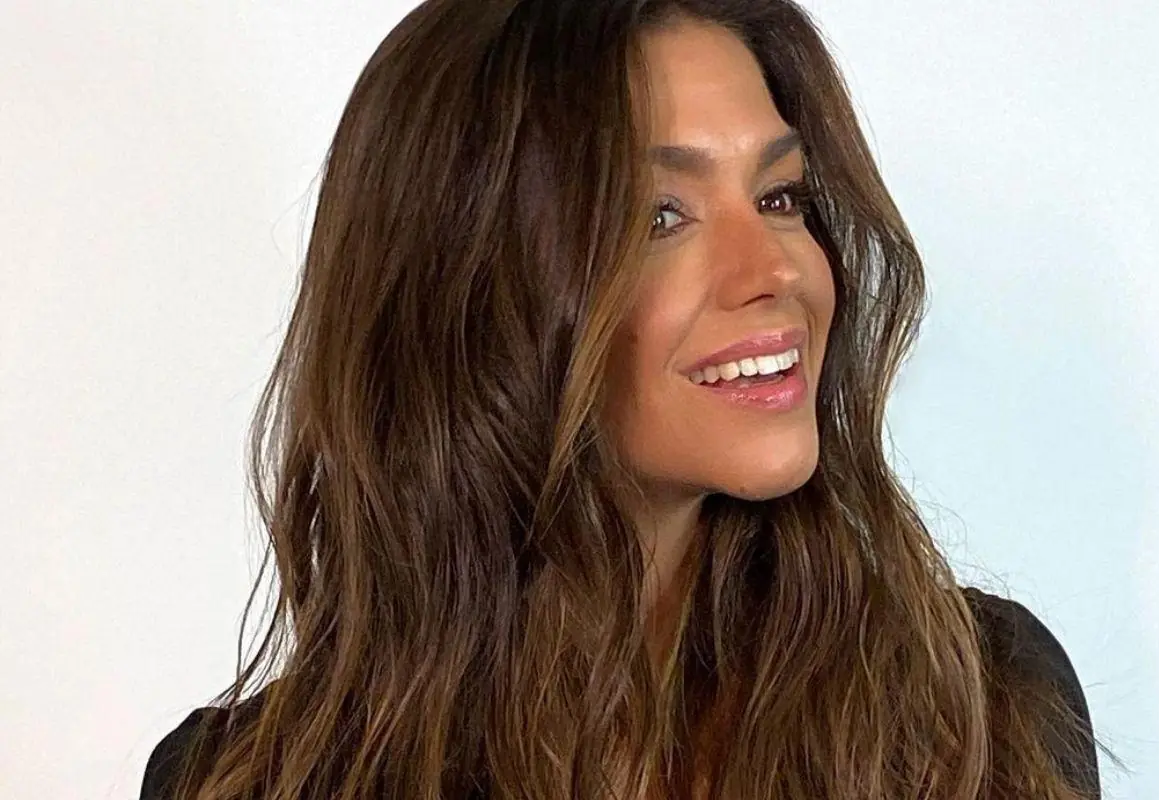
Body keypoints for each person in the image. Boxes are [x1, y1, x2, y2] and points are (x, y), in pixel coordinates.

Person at [141, 0, 1102, 797]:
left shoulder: (976, 709)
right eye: (660, 216)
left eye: (780, 196)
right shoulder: (244, 781)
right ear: (471, 293)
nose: (776, 268)